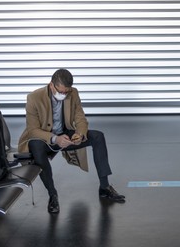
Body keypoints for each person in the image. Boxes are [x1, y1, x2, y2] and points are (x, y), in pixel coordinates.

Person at [18, 69, 125, 213]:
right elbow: (32, 130)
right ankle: (52, 195)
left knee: (98, 136)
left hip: (65, 134)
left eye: (66, 92)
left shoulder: (73, 93)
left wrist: (79, 134)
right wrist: (55, 138)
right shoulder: (34, 98)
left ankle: (104, 187)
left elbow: (80, 117)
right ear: (51, 85)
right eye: (61, 92)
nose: (64, 95)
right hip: (44, 138)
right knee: (36, 146)